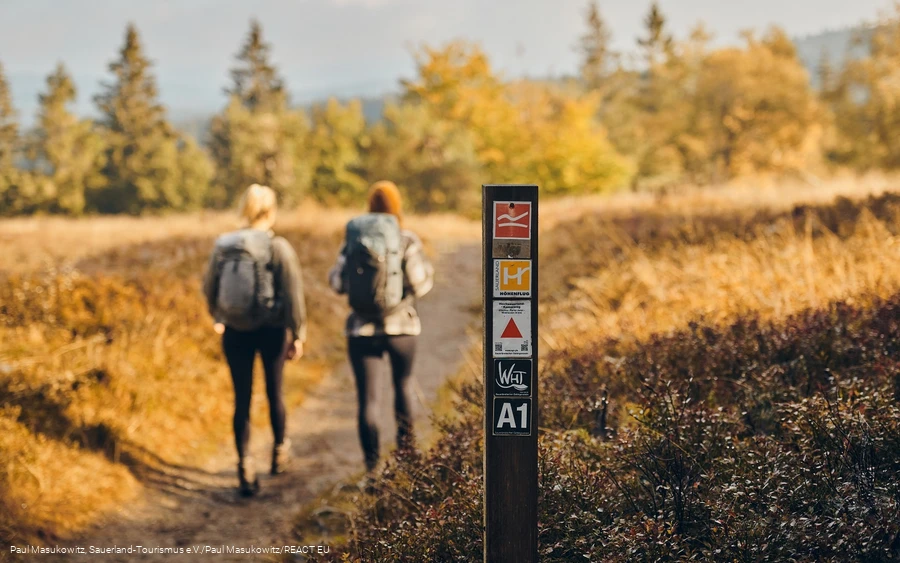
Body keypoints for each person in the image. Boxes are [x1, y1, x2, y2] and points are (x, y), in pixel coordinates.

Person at [203, 183, 307, 497]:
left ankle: (244, 465)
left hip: (234, 331)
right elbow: (293, 294)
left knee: (242, 398)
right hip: (272, 329)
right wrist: (298, 333)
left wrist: (219, 317)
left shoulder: (223, 245)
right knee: (275, 391)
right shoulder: (278, 247)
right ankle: (279, 453)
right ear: (270, 210)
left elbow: (209, 288)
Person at [329, 181, 434, 476]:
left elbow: (337, 283)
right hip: (402, 329)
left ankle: (372, 470)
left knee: (368, 399)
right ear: (396, 206)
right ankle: (407, 462)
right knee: (402, 387)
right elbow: (421, 284)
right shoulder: (406, 239)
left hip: (361, 331)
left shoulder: (353, 239)